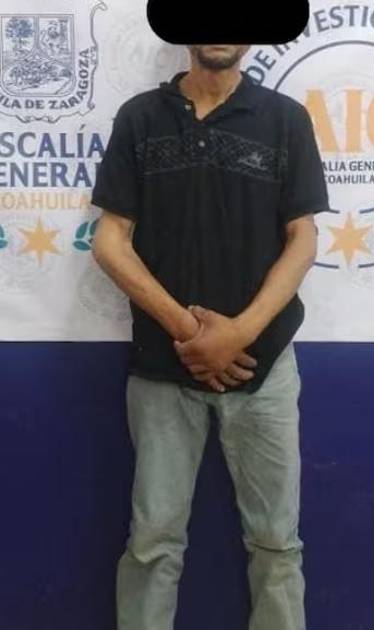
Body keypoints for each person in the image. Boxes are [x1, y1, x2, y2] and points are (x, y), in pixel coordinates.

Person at [91, 44, 327, 630]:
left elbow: (303, 239)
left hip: (264, 369)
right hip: (162, 369)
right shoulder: (139, 118)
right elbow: (110, 241)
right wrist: (191, 332)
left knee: (277, 542)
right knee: (152, 542)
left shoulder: (285, 119)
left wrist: (239, 333)